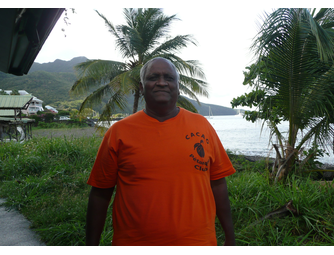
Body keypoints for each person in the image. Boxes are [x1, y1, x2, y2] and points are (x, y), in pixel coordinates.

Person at [86, 57, 236, 246]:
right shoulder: (119, 132)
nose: (162, 82)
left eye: (169, 78)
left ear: (178, 86)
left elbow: (218, 184)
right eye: (153, 77)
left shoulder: (202, 126)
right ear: (141, 87)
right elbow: (100, 194)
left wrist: (230, 238)